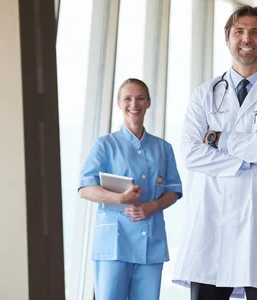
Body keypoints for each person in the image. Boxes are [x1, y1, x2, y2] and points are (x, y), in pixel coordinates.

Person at [172, 5, 257, 300]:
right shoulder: (204, 94)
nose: (247, 38)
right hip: (212, 221)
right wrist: (254, 144)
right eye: (239, 31)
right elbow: (191, 154)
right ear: (227, 39)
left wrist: (219, 139)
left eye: (255, 31)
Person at [78, 78, 182, 300]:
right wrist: (119, 198)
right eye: (128, 98)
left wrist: (153, 206)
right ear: (118, 103)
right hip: (114, 243)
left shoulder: (163, 148)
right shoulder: (104, 145)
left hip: (150, 243)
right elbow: (85, 188)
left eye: (140, 98)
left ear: (148, 103)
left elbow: (173, 191)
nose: (134, 104)